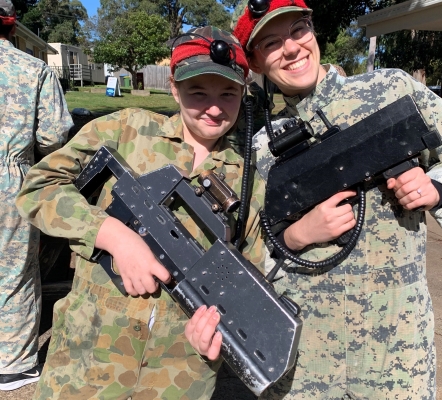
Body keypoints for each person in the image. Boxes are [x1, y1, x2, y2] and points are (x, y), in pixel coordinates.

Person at [231, 1, 442, 399]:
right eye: (272, 43)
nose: (292, 48)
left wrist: (437, 186)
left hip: (396, 346)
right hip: (309, 354)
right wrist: (298, 233)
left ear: (314, 32)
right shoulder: (263, 144)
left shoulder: (389, 90)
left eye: (298, 30)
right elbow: (252, 240)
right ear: (257, 62)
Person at [16, 26, 266, 399]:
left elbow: (250, 273)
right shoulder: (125, 129)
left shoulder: (248, 178)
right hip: (88, 363)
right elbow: (38, 187)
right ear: (174, 87)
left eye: (228, 93)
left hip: (179, 373)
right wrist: (114, 236)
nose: (214, 107)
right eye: (198, 92)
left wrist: (217, 329)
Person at [0, 0, 72, 392]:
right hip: (9, 179)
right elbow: (53, 136)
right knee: (13, 273)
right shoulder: (31, 69)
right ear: (11, 27)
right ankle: (12, 364)